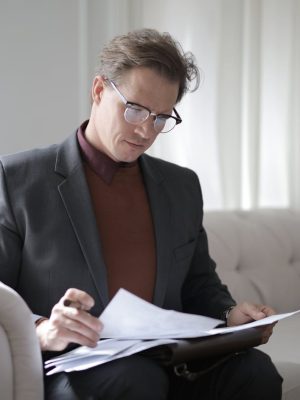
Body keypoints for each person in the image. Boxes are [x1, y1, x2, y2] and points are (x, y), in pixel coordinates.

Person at [0, 28, 282, 399]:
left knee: (254, 371)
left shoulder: (181, 186)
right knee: (134, 379)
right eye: (135, 110)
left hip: (169, 359)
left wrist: (231, 317)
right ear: (99, 91)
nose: (146, 131)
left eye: (161, 118)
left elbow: (199, 284)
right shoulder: (18, 179)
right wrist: (42, 330)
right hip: (76, 366)